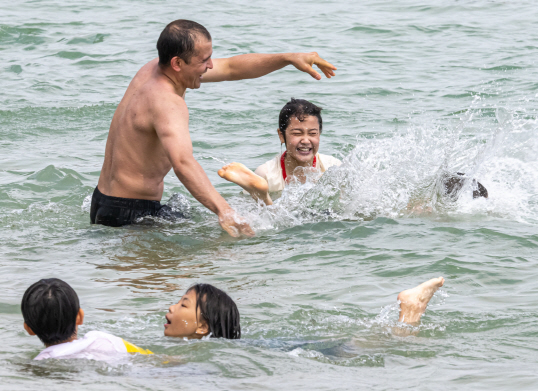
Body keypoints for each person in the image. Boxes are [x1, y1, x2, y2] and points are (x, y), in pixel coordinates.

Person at [91, 20, 337, 237]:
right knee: (186, 272)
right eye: (204, 60)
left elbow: (231, 68)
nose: (210, 65)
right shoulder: (167, 103)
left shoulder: (153, 69)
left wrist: (288, 58)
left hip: (104, 200)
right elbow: (183, 163)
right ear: (177, 63)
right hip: (129, 215)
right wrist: (224, 210)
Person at [164, 277, 444, 340]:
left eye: (182, 304)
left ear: (203, 327)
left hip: (295, 351)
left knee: (389, 343)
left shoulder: (200, 352)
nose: (171, 308)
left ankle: (410, 312)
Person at [218, 98, 342, 205]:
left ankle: (263, 197)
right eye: (297, 133)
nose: (305, 140)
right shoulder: (266, 174)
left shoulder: (333, 166)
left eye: (312, 133)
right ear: (281, 135)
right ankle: (262, 196)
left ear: (319, 135)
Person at [21, 278, 152, 361]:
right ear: (80, 317)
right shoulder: (103, 339)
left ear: (29, 329)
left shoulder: (41, 362)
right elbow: (150, 358)